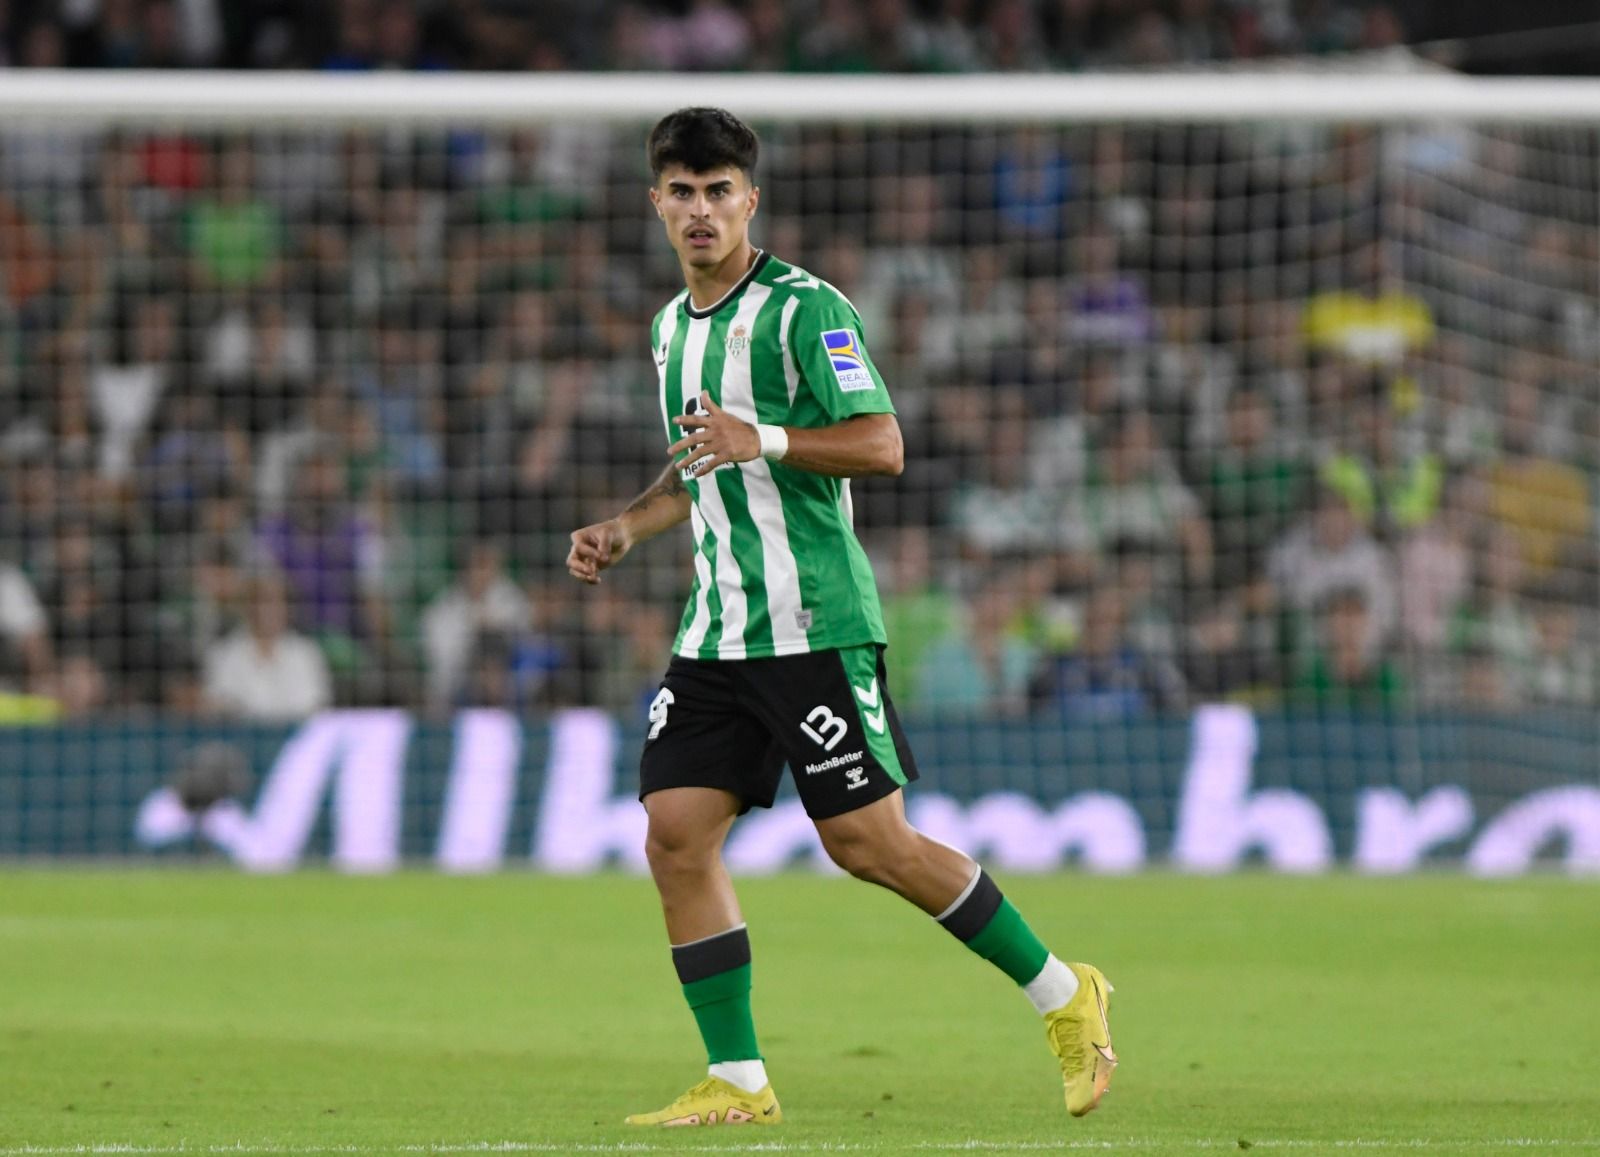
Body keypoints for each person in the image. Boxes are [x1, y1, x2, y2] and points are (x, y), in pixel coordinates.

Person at [567, 108, 1116, 1129]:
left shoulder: (805, 310)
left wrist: (762, 435)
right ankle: (737, 1077)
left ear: (749, 200)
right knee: (674, 833)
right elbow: (700, 464)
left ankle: (1062, 992)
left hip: (813, 621)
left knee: (869, 844)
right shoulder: (666, 329)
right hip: (717, 632)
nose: (699, 211)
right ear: (657, 202)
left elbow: (881, 442)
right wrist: (626, 527)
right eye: (681, 193)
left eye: (718, 191)